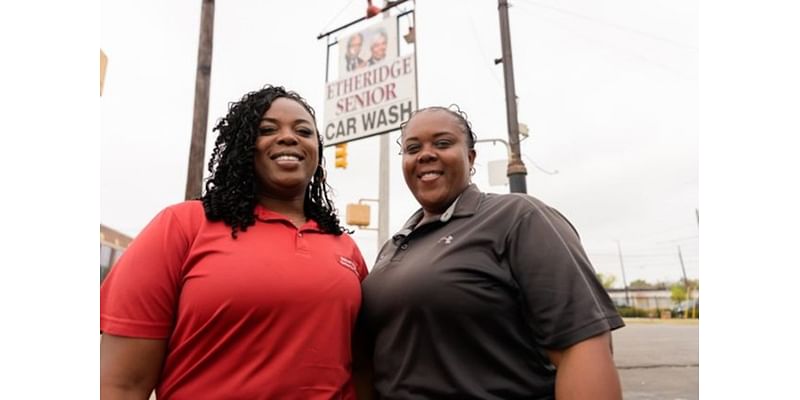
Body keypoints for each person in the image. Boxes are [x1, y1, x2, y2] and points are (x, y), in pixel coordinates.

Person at [100, 85, 369, 399]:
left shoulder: (345, 249)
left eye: (303, 131)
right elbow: (121, 384)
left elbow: (363, 368)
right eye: (267, 129)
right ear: (243, 145)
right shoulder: (182, 226)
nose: (288, 137)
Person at [355, 106, 625, 399]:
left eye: (443, 143)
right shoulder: (393, 246)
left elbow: (582, 346)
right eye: (412, 148)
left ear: (470, 157)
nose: (426, 154)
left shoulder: (518, 217)